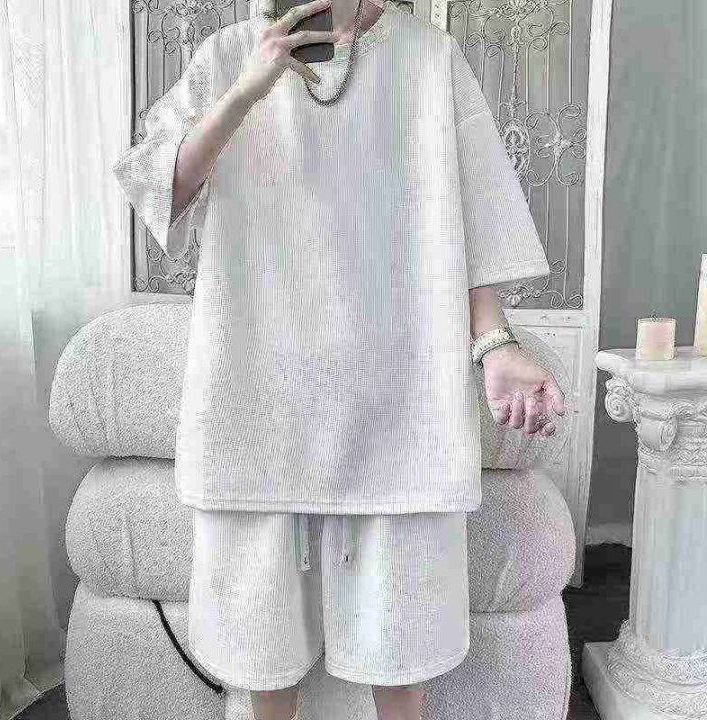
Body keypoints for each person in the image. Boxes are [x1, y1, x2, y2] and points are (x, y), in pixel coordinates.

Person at [112, 1, 566, 718]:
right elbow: (157, 185)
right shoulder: (230, 53)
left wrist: (495, 344)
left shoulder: (428, 58)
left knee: (402, 636)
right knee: (261, 637)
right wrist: (247, 91)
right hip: (261, 380)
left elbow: (478, 210)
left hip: (398, 385)